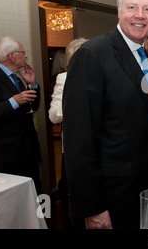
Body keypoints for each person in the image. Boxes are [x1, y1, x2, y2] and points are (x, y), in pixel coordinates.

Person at [62, 0, 148, 229]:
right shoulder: (92, 55)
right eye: (132, 7)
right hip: (113, 200)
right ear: (118, 10)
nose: (140, 15)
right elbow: (79, 140)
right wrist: (93, 207)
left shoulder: (145, 58)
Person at [0, 36, 42, 192]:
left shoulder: (17, 78)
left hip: (27, 151)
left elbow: (32, 108)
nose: (26, 56)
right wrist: (13, 101)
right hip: (5, 158)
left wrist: (31, 84)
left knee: (31, 199)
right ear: (11, 55)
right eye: (23, 53)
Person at [48, 37, 87, 227]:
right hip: (74, 148)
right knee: (74, 195)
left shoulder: (102, 74)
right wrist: (79, 106)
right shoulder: (64, 78)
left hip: (102, 146)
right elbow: (54, 116)